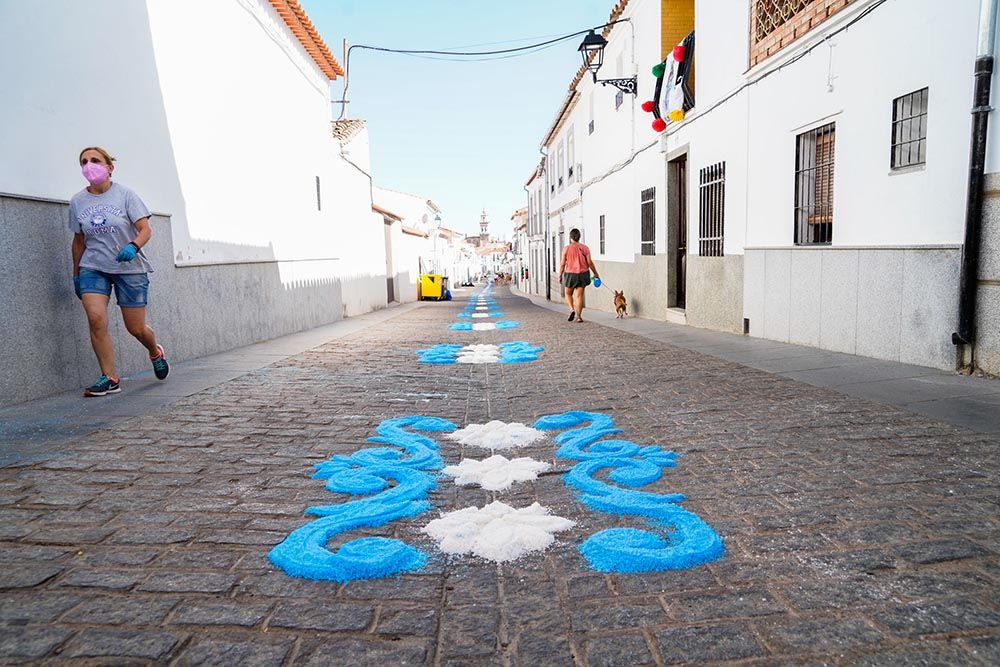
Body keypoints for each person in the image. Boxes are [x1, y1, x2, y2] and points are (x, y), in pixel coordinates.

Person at [70, 146, 169, 397]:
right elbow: (79, 241)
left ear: (109, 167)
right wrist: (76, 274)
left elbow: (145, 229)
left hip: (129, 267)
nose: (89, 165)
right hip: (93, 267)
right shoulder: (78, 201)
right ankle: (110, 377)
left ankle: (154, 351)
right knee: (95, 319)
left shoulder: (126, 195)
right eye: (84, 162)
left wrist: (133, 246)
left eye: (95, 160)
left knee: (135, 328)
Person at [558, 228, 600, 323]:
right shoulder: (585, 248)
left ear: (570, 237)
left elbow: (562, 264)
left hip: (570, 274)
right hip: (582, 274)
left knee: (568, 293)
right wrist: (596, 273)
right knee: (579, 296)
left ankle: (571, 309)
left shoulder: (566, 248)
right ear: (579, 237)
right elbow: (589, 262)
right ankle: (579, 317)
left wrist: (560, 275)